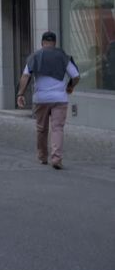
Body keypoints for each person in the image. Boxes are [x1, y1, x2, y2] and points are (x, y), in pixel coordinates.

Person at [16, 31, 80, 169]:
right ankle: (56, 158)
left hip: (41, 99)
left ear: (42, 42)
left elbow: (25, 76)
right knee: (57, 128)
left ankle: (42, 157)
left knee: (41, 129)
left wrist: (20, 94)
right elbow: (75, 76)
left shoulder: (35, 56)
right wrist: (70, 86)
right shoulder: (63, 56)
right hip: (59, 98)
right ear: (55, 43)